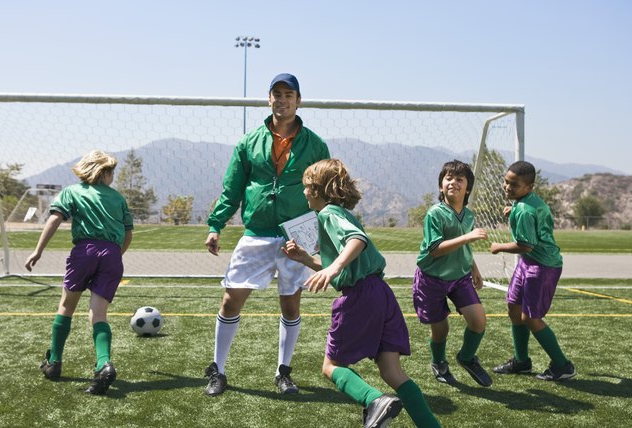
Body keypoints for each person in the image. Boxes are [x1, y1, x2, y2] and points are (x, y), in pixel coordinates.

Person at [283, 159, 440, 428]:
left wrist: (332, 269)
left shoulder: (329, 214)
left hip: (359, 296)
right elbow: (349, 257)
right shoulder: (341, 213)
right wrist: (307, 259)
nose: (304, 192)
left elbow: (357, 240)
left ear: (318, 190)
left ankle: (374, 400)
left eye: (307, 187)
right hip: (380, 293)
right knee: (392, 371)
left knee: (331, 367)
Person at [203, 73, 331, 396]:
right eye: (277, 94)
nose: (283, 100)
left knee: (290, 306)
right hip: (257, 233)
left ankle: (283, 372)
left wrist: (326, 231)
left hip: (297, 235)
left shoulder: (315, 144)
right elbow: (231, 190)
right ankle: (218, 371)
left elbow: (327, 191)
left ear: (298, 101)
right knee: (231, 299)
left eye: (289, 95)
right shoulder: (249, 142)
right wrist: (216, 225)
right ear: (269, 98)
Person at [25, 150, 133, 395]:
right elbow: (128, 233)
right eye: (111, 171)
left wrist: (38, 250)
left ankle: (54, 363)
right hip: (112, 254)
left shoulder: (71, 192)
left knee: (66, 306)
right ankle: (103, 364)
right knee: (99, 314)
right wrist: (116, 256)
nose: (113, 176)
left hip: (84, 252)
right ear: (103, 172)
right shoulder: (117, 198)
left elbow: (54, 220)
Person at [490, 160, 576, 381]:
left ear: (529, 187)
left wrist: (499, 247)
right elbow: (531, 215)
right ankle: (522, 361)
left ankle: (563, 365)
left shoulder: (525, 211)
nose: (507, 187)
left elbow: (525, 245)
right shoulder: (524, 203)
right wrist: (514, 209)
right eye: (506, 182)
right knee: (513, 306)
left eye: (514, 185)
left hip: (543, 266)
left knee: (531, 317)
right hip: (528, 263)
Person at [412, 160, 492, 387]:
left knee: (478, 322)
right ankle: (439, 362)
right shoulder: (434, 214)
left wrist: (474, 268)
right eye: (448, 178)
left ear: (468, 187)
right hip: (431, 280)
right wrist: (468, 237)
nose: (453, 183)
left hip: (460, 278)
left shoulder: (468, 215)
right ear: (441, 185)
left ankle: (466, 358)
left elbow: (463, 246)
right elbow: (436, 250)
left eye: (459, 179)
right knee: (441, 329)